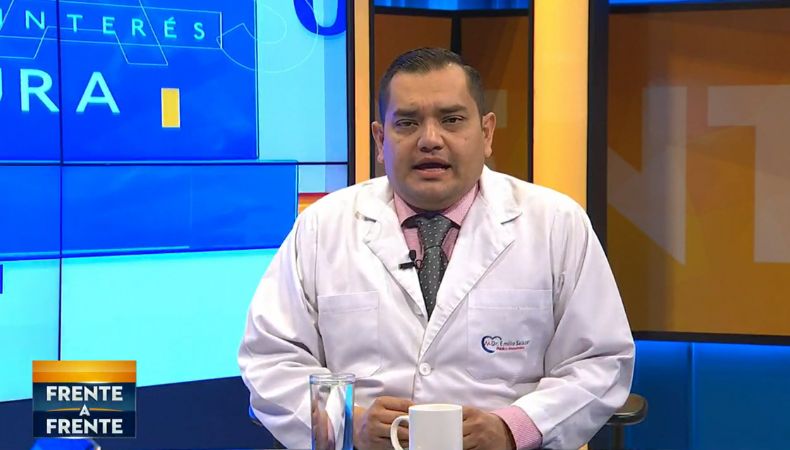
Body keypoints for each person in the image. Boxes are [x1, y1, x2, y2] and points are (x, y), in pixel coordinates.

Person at [239, 47, 634, 450]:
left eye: (451, 120)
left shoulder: (555, 224)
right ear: (380, 139)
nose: (429, 140)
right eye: (407, 123)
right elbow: (270, 360)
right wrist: (347, 423)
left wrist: (512, 429)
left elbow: (600, 362)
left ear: (487, 133)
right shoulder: (323, 227)